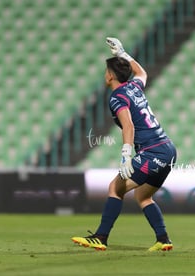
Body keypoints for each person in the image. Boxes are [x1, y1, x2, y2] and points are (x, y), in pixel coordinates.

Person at [71, 37, 177, 251]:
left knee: (115, 188)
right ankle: (163, 239)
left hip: (152, 152)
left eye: (105, 71)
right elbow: (142, 73)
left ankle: (100, 237)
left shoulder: (117, 96)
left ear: (110, 75)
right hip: (168, 150)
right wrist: (124, 54)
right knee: (143, 195)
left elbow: (128, 126)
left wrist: (126, 155)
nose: (104, 74)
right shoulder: (133, 87)